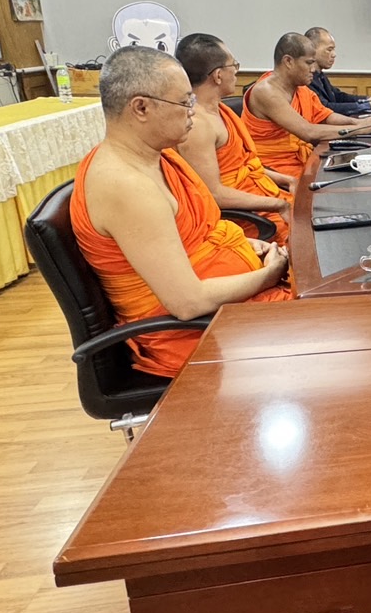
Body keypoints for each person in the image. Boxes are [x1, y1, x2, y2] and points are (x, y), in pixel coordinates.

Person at [69, 47, 293, 379]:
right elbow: (188, 303)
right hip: (195, 333)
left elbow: (194, 234)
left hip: (229, 306)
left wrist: (245, 244)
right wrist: (271, 274)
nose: (193, 112)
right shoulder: (126, 185)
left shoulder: (159, 156)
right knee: (333, 323)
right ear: (141, 107)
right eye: (185, 102)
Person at [175, 33, 294, 244]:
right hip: (249, 217)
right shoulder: (197, 125)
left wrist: (287, 180)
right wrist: (276, 204)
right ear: (218, 75)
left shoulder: (221, 110)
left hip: (263, 196)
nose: (236, 72)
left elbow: (244, 166)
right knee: (311, 239)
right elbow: (213, 194)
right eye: (234, 65)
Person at [242, 33, 371, 178]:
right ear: (288, 61)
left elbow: (326, 116)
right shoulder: (266, 92)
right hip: (274, 170)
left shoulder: (300, 88)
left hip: (303, 160)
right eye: (309, 63)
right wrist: (359, 128)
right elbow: (308, 132)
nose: (313, 69)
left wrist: (359, 123)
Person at [304, 27, 371, 115]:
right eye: (329, 50)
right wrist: (367, 106)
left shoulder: (320, 76)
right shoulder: (306, 79)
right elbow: (325, 108)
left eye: (334, 49)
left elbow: (339, 96)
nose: (334, 54)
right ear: (313, 49)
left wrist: (368, 99)